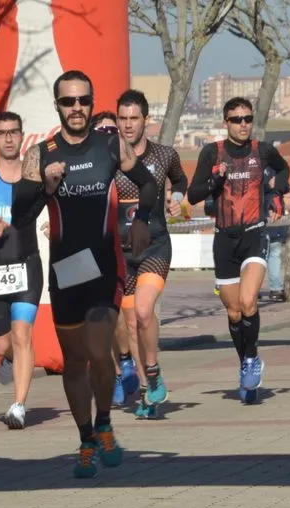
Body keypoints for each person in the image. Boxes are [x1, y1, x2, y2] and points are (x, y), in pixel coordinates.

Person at [11, 69, 160, 478]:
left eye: (84, 101)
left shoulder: (111, 145)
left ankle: (105, 422)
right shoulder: (39, 155)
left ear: (93, 103)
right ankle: (86, 438)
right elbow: (20, 218)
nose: (77, 109)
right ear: (57, 105)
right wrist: (46, 186)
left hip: (104, 264)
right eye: (68, 101)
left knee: (98, 350)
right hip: (65, 271)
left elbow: (149, 185)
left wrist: (142, 218)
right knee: (74, 361)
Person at [186, 97, 290, 404]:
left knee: (248, 301)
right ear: (225, 122)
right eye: (236, 119)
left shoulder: (263, 150)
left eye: (247, 118)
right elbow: (193, 195)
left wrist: (275, 192)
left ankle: (252, 359)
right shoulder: (212, 153)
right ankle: (244, 361)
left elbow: (284, 172)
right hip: (224, 239)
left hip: (254, 234)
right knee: (233, 311)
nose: (242, 124)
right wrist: (214, 181)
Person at [114, 89, 187, 418]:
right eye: (123, 119)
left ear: (146, 120)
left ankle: (153, 369)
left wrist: (178, 196)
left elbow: (180, 179)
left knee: (144, 312)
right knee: (131, 323)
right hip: (122, 250)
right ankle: (147, 390)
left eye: (134, 118)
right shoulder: (109, 158)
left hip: (155, 245)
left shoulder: (164, 155)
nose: (128, 125)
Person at [0, 111, 42, 429]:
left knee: (22, 334)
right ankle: (12, 361)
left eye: (14, 132)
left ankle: (18, 406)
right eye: (2, 133)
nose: (9, 138)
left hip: (27, 265)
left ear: (21, 134)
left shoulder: (33, 179)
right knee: (3, 344)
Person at [89, 111, 140, 407]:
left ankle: (125, 360)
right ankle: (117, 372)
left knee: (120, 317)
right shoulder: (82, 167)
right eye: (102, 132)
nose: (107, 137)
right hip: (87, 252)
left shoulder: (127, 168)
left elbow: (148, 195)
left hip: (123, 251)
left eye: (112, 132)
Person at [263, 166, 287, 302]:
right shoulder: (254, 167)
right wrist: (268, 185)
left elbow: (286, 186)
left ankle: (276, 288)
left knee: (275, 253)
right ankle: (251, 289)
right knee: (259, 257)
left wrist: (277, 183)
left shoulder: (277, 168)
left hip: (277, 222)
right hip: (261, 218)